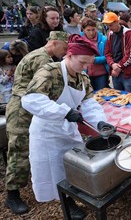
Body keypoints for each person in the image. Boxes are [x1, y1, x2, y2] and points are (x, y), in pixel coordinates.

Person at [21, 34, 111, 219]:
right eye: (82, 62)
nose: (85, 67)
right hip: (47, 132)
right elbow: (31, 100)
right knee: (54, 170)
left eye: (88, 64)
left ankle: (71, 196)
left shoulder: (82, 78)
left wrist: (99, 121)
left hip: (68, 130)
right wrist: (63, 112)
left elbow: (89, 103)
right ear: (69, 55)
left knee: (71, 166)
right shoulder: (49, 72)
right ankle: (66, 204)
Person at [4, 31, 68, 215]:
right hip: (22, 111)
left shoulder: (39, 53)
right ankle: (12, 195)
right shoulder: (43, 60)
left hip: (28, 107)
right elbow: (51, 89)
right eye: (63, 48)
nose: (64, 52)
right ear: (54, 43)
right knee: (19, 151)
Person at [103, 12, 131, 92]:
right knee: (118, 98)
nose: (109, 28)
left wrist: (119, 66)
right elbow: (107, 52)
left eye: (111, 25)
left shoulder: (129, 33)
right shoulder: (110, 34)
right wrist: (112, 64)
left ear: (117, 22)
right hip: (115, 72)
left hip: (127, 73)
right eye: (107, 26)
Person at [81, 18, 109, 90]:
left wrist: (95, 60)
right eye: (88, 30)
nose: (91, 33)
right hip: (85, 74)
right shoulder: (80, 40)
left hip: (101, 74)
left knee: (102, 95)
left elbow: (108, 56)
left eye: (93, 29)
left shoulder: (104, 40)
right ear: (83, 30)